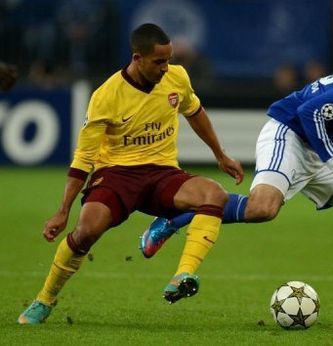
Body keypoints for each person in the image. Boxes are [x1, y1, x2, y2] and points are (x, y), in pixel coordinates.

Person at [141, 63, 333, 326]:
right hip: (288, 133)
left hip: (321, 149)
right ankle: (174, 217)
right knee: (263, 209)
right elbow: (308, 112)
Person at [17, 23, 244, 325]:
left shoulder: (177, 77)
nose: (166, 68)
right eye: (158, 62)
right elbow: (83, 158)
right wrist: (63, 211)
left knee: (214, 193)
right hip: (117, 174)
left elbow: (195, 111)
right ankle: (44, 300)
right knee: (87, 230)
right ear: (137, 58)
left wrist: (220, 154)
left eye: (168, 60)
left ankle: (183, 273)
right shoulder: (107, 96)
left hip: (162, 173)